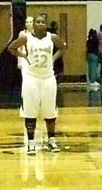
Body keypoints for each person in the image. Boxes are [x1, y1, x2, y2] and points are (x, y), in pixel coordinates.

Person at [8, 12, 64, 153]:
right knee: (30, 111)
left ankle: (51, 140)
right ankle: (31, 142)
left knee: (50, 111)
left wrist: (53, 58)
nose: (40, 24)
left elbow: (63, 47)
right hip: (31, 78)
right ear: (33, 24)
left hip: (48, 78)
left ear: (46, 24)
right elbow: (11, 48)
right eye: (37, 22)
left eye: (42, 22)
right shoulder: (26, 38)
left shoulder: (52, 37)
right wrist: (23, 56)